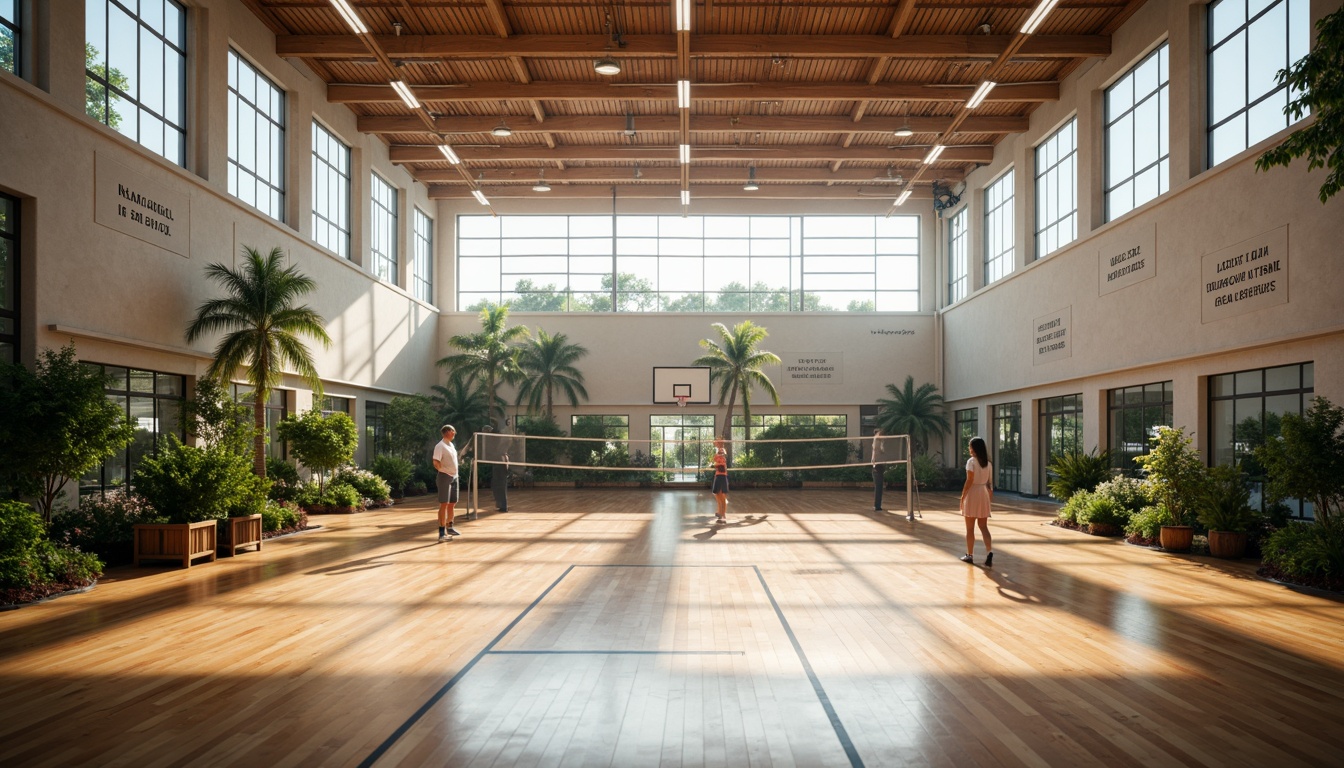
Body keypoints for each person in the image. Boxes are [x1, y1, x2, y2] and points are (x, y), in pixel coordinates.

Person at [959, 436, 994, 565]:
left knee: (970, 528)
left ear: (973, 448)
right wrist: (989, 498)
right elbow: (990, 484)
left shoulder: (971, 462)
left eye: (970, 446)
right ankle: (989, 551)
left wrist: (963, 496)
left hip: (973, 493)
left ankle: (970, 555)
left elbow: (969, 480)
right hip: (983, 493)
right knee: (984, 526)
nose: (969, 448)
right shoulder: (988, 464)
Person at [433, 424, 461, 541]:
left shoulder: (451, 445)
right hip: (445, 477)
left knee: (452, 503)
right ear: (447, 432)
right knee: (444, 504)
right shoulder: (440, 446)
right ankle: (441, 534)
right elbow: (435, 462)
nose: (454, 433)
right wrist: (443, 471)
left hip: (454, 477)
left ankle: (450, 527)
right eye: (453, 431)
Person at [711, 438, 729, 523]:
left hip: (722, 476)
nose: (715, 443)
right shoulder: (718, 451)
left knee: (722, 496)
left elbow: (718, 459)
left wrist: (716, 463)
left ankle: (723, 515)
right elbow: (714, 460)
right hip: (718, 475)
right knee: (717, 494)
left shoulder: (722, 451)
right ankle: (720, 512)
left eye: (717, 442)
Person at [871, 429, 888, 512]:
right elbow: (875, 452)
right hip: (877, 465)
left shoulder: (881, 442)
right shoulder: (876, 440)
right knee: (878, 486)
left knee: (880, 486)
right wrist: (874, 462)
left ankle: (878, 505)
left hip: (880, 465)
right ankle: (877, 506)